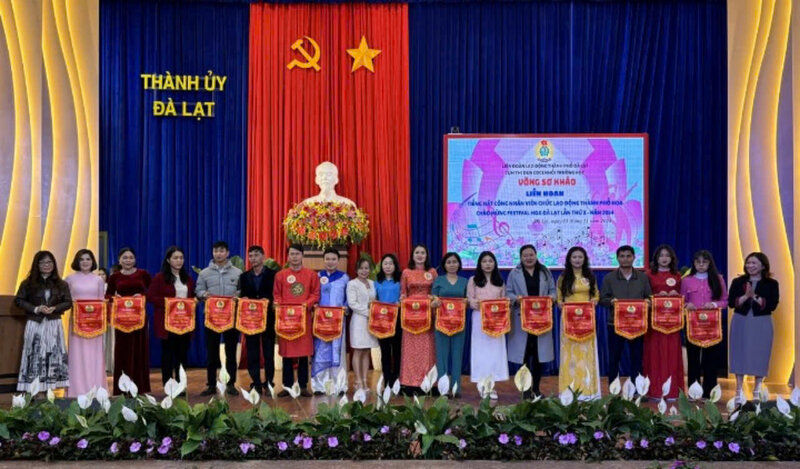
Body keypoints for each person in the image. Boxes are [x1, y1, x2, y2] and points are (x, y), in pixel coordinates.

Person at [15, 251, 71, 392]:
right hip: (35, 322)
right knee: (34, 353)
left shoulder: (61, 284)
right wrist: (36, 308)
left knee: (53, 354)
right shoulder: (27, 283)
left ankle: (50, 390)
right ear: (37, 265)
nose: (46, 265)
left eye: (49, 262)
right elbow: (19, 300)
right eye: (43, 262)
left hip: (53, 322)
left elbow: (68, 302)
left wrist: (55, 308)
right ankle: (33, 390)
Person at [505, 244, 557, 397]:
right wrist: (517, 300)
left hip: (541, 320)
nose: (528, 258)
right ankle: (525, 389)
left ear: (536, 255)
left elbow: (553, 291)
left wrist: (552, 298)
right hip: (522, 321)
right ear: (521, 257)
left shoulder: (545, 271)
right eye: (525, 255)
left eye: (531, 255)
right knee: (525, 356)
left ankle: (537, 388)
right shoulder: (514, 273)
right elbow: (508, 293)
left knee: (539, 356)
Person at [728, 252, 779, 403]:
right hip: (741, 321)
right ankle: (738, 390)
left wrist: (754, 296)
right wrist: (745, 296)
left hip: (761, 322)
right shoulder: (738, 282)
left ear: (763, 265)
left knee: (760, 353)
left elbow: (772, 304)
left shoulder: (771, 284)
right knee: (739, 353)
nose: (750, 266)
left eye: (754, 263)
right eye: (748, 263)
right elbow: (731, 302)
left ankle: (757, 389)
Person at [599, 245, 652, 385]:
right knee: (614, 358)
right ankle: (613, 390)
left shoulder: (642, 277)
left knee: (637, 358)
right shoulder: (609, 278)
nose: (625, 259)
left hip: (638, 324)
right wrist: (611, 302)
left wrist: (648, 301)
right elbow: (602, 299)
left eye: (628, 256)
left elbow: (649, 297)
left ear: (634, 258)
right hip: (615, 324)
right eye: (622, 256)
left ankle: (638, 389)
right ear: (617, 258)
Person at [196, 241, 242, 396]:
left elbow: (242, 291)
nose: (219, 254)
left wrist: (238, 296)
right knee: (211, 352)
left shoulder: (237, 273)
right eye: (216, 251)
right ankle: (211, 384)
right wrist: (204, 295)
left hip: (231, 318)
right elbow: (198, 290)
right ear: (212, 253)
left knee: (231, 352)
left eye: (222, 251)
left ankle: (231, 384)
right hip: (212, 319)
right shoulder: (204, 273)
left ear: (227, 253)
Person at [274, 244, 320, 397]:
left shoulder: (311, 275)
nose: (294, 257)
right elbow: (277, 294)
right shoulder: (280, 275)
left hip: (304, 319)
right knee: (287, 354)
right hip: (286, 319)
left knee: (303, 353)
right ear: (287, 256)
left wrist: (306, 305)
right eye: (292, 254)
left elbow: (315, 294)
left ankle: (303, 386)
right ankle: (287, 386)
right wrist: (280, 304)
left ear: (302, 255)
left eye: (297, 254)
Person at [681, 250, 728, 399]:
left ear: (709, 263)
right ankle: (694, 393)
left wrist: (713, 304)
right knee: (693, 359)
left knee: (711, 359)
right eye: (698, 262)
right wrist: (687, 305)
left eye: (704, 262)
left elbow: (725, 301)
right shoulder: (687, 280)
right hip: (692, 325)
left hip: (712, 325)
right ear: (694, 264)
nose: (701, 265)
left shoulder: (718, 279)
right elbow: (682, 300)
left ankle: (709, 393)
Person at [146, 246, 196, 386]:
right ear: (168, 260)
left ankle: (181, 384)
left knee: (182, 355)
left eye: (181, 258)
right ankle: (168, 385)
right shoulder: (159, 278)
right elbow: (150, 297)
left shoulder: (188, 278)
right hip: (167, 324)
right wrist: (169, 303)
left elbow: (193, 296)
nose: (179, 261)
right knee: (168, 354)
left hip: (185, 323)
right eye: (175, 258)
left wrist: (195, 300)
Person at [557, 246, 601, 400]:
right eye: (574, 257)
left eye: (580, 257)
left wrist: (594, 301)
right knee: (569, 355)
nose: (577, 260)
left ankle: (588, 391)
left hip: (586, 321)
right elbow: (559, 297)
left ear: (585, 259)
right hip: (569, 321)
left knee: (587, 353)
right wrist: (560, 303)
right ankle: (569, 391)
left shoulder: (590, 276)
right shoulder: (563, 277)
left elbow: (596, 295)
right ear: (569, 259)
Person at [106, 247, 151, 394]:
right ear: (119, 260)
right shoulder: (114, 277)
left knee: (140, 350)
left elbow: (151, 293)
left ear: (135, 259)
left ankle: (141, 388)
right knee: (122, 351)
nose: (128, 260)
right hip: (122, 320)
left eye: (131, 257)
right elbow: (108, 296)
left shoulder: (143, 274)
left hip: (139, 319)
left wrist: (142, 296)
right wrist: (114, 298)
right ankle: (122, 389)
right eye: (125, 257)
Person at [644, 244, 684, 399]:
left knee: (672, 354)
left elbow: (684, 298)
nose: (664, 258)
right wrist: (655, 296)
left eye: (667, 255)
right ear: (656, 258)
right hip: (654, 322)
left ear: (671, 258)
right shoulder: (648, 275)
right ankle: (654, 391)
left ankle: (674, 391)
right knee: (654, 354)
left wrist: (677, 294)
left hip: (673, 323)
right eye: (661, 255)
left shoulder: (678, 275)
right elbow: (645, 297)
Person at [65, 249, 107, 397]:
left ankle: (96, 390)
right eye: (82, 259)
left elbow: (102, 301)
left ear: (93, 261)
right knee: (77, 356)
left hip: (94, 325)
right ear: (77, 261)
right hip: (77, 325)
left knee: (94, 355)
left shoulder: (98, 280)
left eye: (88, 259)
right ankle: (76, 391)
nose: (85, 262)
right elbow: (66, 301)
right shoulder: (69, 279)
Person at [468, 251, 509, 399]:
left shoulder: (500, 281)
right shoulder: (473, 280)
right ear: (480, 263)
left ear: (495, 263)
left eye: (490, 261)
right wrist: (481, 305)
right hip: (479, 318)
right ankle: (481, 382)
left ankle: (491, 385)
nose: (487, 264)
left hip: (497, 320)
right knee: (481, 351)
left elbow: (504, 299)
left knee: (495, 351)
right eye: (484, 261)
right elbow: (470, 301)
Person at [399, 244, 437, 394]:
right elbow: (403, 293)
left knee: (428, 349)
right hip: (410, 316)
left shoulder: (432, 272)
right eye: (417, 252)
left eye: (423, 252)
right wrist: (402, 301)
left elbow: (436, 293)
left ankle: (428, 383)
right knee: (410, 349)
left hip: (427, 315)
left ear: (427, 255)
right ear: (412, 255)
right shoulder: (406, 272)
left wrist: (433, 301)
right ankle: (409, 383)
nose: (420, 255)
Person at [238, 245, 276, 394]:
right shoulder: (244, 276)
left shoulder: (274, 274)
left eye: (256, 255)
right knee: (252, 352)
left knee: (268, 352)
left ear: (263, 256)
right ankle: (256, 382)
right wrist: (244, 299)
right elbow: (240, 296)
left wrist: (270, 300)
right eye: (251, 256)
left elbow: (277, 294)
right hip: (250, 320)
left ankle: (269, 381)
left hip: (268, 319)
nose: (253, 258)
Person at [311, 247, 349, 394]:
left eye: (333, 259)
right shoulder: (317, 276)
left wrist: (346, 308)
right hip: (321, 322)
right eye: (327, 259)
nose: (330, 262)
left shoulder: (345, 278)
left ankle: (339, 385)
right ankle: (320, 386)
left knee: (337, 351)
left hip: (338, 323)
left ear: (338, 261)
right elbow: (314, 295)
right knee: (321, 352)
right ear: (323, 260)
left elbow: (347, 299)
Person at [431, 252, 468, 396]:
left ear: (459, 264)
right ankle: (443, 389)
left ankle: (456, 388)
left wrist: (467, 302)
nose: (452, 264)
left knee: (457, 355)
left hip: (459, 324)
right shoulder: (439, 280)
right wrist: (434, 302)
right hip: (441, 324)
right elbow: (432, 299)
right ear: (444, 265)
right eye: (449, 262)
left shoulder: (465, 281)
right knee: (441, 356)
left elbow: (469, 300)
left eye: (454, 262)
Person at [348, 258, 377, 392]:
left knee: (367, 350)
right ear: (356, 270)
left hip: (371, 322)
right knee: (358, 350)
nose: (364, 271)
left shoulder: (372, 283)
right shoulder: (352, 284)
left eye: (366, 268)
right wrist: (369, 312)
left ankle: (365, 380)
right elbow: (352, 304)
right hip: (359, 320)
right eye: (361, 268)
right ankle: (358, 381)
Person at [375, 254, 402, 386]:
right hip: (382, 321)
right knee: (385, 352)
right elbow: (374, 298)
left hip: (397, 319)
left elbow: (404, 297)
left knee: (397, 351)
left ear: (395, 265)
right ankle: (386, 380)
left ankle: (396, 379)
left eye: (391, 263)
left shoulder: (400, 281)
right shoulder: (377, 281)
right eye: (385, 263)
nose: (388, 266)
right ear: (382, 266)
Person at [96, 267, 114, 375]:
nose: (101, 276)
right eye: (99, 274)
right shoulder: (92, 287)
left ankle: (108, 364)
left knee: (109, 341)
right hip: (96, 318)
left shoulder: (109, 287)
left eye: (103, 274)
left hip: (109, 317)